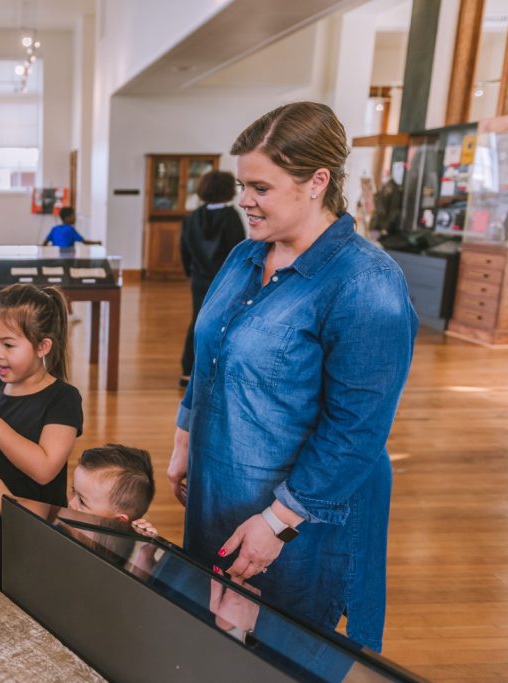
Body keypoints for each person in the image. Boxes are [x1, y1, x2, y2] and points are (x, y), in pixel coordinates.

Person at [166, 101, 418, 652]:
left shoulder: (366, 284)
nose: (245, 201)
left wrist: (278, 522)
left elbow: (355, 432)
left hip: (299, 518)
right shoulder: (244, 254)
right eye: (242, 185)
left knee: (284, 651)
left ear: (317, 182)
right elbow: (212, 352)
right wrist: (185, 437)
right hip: (221, 490)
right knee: (220, 639)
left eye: (260, 187)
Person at [0, 283, 83, 584]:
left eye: (9, 345)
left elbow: (45, 469)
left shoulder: (63, 398)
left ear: (42, 346)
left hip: (32, 528)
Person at [0, 444, 157, 529]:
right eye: (74, 492)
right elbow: (21, 513)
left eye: (82, 501)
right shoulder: (71, 522)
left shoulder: (124, 553)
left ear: (120, 521)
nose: (71, 503)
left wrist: (147, 548)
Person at [179, 171, 246, 388]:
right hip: (226, 279)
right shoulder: (232, 216)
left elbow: (185, 249)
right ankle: (216, 371)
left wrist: (192, 272)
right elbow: (238, 251)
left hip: (199, 278)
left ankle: (188, 371)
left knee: (198, 320)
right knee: (225, 322)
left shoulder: (192, 217)